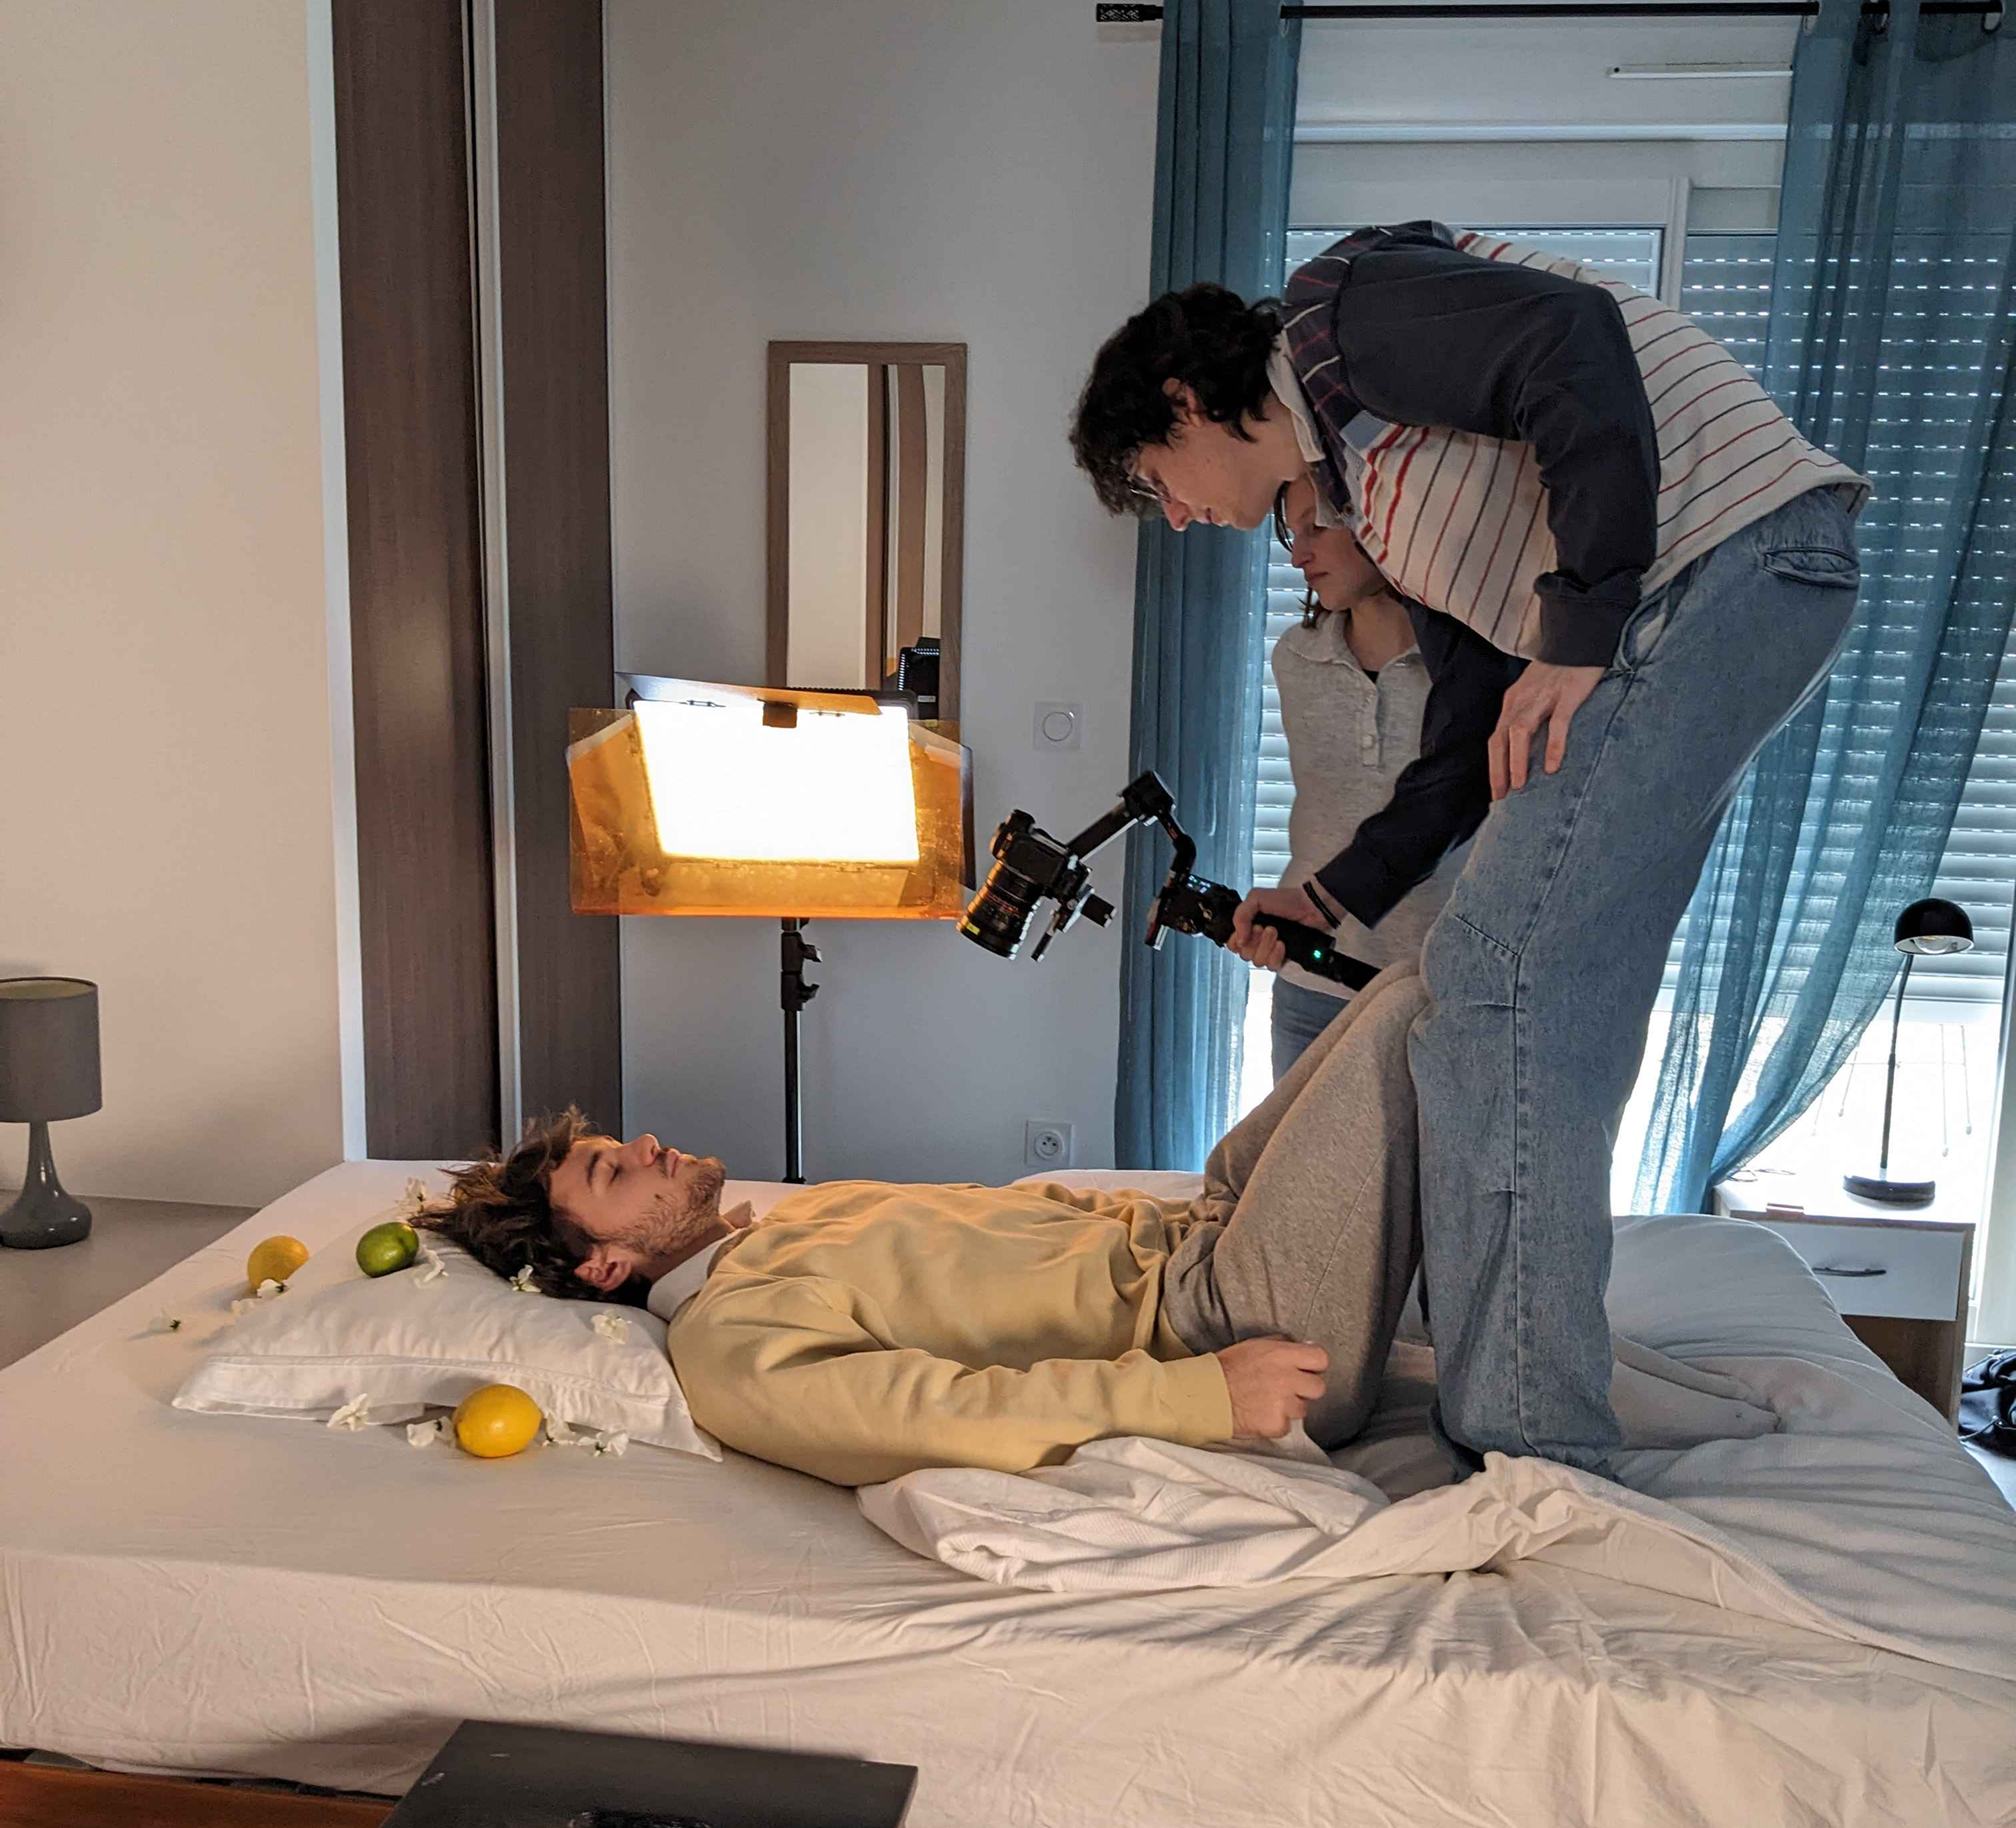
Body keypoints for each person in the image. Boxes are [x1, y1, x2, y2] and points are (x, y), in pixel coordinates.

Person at [1070, 221, 1866, 1477]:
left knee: (1490, 970)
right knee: (1551, 990)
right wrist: (1330, 892)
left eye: (1148, 479)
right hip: (1727, 581)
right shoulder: (1380, 486)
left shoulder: (1336, 318)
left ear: (1184, 398)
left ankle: (1528, 1440)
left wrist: (1583, 623)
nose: (1169, 519)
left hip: (1722, 564)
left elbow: (1571, 340)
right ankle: (1545, 1382)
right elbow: (1463, 735)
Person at [415, 969, 1431, 1487]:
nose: (643, 1144)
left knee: (1395, 981)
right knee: (1423, 1008)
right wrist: (1205, 1392)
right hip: (1224, 1325)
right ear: (604, 1268)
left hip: (1198, 1237)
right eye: (610, 1170)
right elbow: (948, 1415)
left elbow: (1021, 1221)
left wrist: (1189, 1213)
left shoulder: (789, 1220)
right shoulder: (730, 1342)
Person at [1230, 473, 1471, 1083]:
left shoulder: (1474, 672)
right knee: (1298, 1178)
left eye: (1319, 525)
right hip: (1313, 986)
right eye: (1292, 531)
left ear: (1382, 520)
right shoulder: (1296, 657)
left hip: (1438, 994)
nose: (1298, 552)